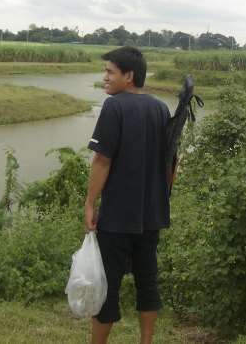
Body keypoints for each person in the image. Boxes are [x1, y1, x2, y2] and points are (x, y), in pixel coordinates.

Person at [84, 46, 171, 344]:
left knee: (107, 286)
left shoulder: (115, 107)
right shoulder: (161, 108)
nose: (105, 77)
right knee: (148, 283)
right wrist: (162, 198)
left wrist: (89, 204)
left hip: (118, 218)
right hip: (152, 217)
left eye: (110, 72)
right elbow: (174, 161)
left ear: (129, 76)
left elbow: (102, 160)